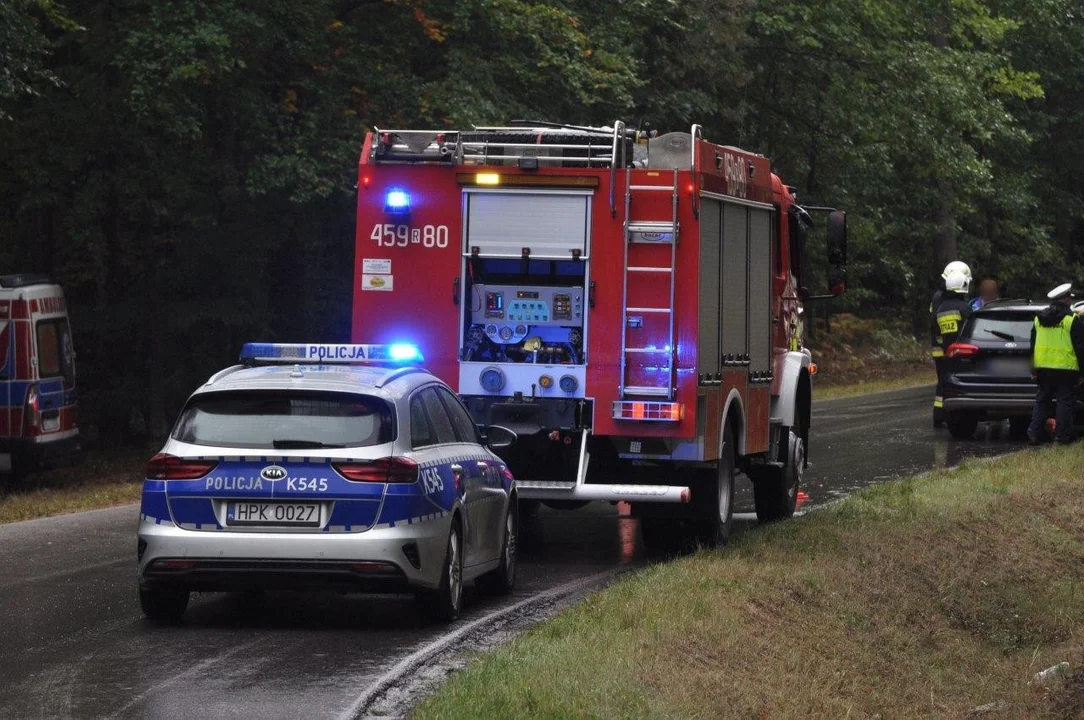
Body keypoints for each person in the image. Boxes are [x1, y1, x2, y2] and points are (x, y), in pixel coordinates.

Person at [1027, 283, 1084, 445]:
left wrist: (1033, 368)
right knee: (1064, 402)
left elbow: (1032, 344)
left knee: (1041, 401)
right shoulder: (1071, 320)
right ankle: (1062, 436)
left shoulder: (1039, 318)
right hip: (1066, 369)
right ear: (1066, 300)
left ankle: (1034, 434)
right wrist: (1082, 372)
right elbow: (1080, 347)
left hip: (1043, 368)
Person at [930, 261, 973, 427]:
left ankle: (939, 414)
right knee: (955, 383)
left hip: (941, 350)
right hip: (958, 352)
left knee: (942, 381)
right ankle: (950, 414)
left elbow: (934, 328)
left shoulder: (940, 306)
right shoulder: (964, 308)